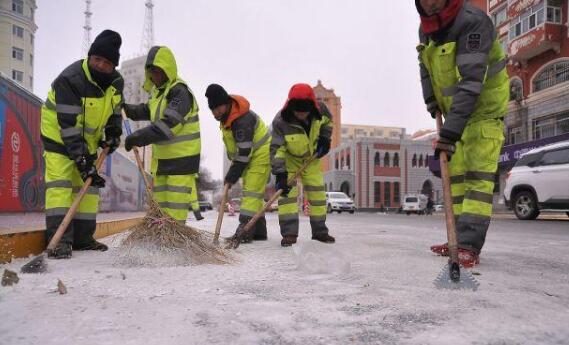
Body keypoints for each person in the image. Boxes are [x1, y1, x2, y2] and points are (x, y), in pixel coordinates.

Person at [416, 0, 508, 266]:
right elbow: (425, 69)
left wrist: (449, 132)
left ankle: (468, 245)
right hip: (453, 112)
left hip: (484, 111)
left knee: (477, 179)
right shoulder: (425, 29)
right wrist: (431, 101)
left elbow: (471, 83)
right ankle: (455, 238)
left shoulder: (472, 22)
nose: (429, 3)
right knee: (454, 177)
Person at [40, 30, 124, 258]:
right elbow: (68, 127)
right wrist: (81, 160)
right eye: (96, 59)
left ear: (113, 66)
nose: (100, 65)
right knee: (60, 186)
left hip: (86, 141)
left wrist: (114, 132)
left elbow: (116, 111)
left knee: (89, 189)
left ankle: (83, 239)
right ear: (90, 57)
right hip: (59, 137)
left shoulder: (117, 81)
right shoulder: (70, 80)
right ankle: (59, 242)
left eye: (106, 62)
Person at [123, 46, 201, 225]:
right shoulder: (158, 94)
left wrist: (138, 137)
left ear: (168, 70)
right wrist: (125, 108)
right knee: (161, 208)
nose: (155, 77)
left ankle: (176, 243)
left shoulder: (180, 92)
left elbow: (168, 126)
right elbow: (145, 110)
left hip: (182, 161)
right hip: (163, 161)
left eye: (158, 72)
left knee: (174, 211)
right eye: (152, 73)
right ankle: (163, 240)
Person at [270, 83, 336, 247]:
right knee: (287, 196)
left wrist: (325, 139)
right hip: (290, 159)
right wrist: (280, 173)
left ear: (311, 107)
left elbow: (328, 122)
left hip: (311, 159)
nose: (300, 115)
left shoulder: (321, 110)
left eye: (304, 111)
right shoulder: (280, 121)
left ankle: (320, 231)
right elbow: (276, 149)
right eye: (297, 111)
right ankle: (289, 233)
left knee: (317, 194)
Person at [205, 84, 271, 243]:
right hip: (249, 158)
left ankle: (245, 232)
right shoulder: (227, 117)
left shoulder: (242, 120)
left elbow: (243, 153)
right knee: (254, 194)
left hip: (261, 155)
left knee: (251, 193)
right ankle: (259, 231)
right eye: (213, 110)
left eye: (218, 108)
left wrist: (231, 176)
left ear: (226, 103)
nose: (216, 113)